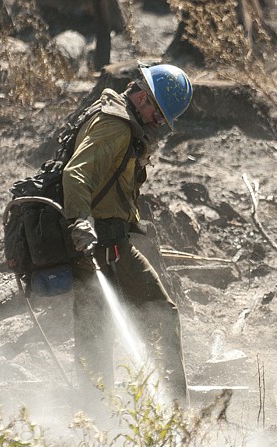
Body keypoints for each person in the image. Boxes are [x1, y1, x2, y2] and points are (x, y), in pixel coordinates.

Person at [64, 63, 193, 403]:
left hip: (108, 241)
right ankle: (177, 414)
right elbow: (76, 173)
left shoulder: (121, 121)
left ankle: (96, 410)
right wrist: (79, 222)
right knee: (159, 316)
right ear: (141, 96)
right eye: (158, 114)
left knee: (95, 330)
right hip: (98, 242)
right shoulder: (115, 126)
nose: (159, 124)